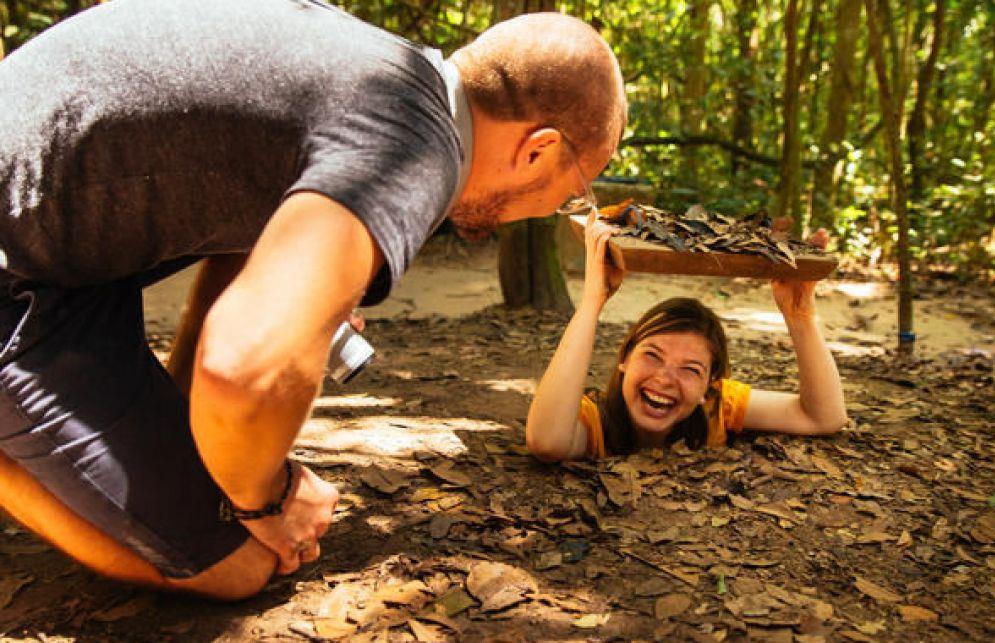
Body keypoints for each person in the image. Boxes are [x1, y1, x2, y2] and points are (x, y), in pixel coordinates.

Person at [0, 0, 626, 600]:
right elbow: (246, 364)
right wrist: (266, 497)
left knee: (219, 478)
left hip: (62, 252)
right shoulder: (414, 146)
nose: (550, 212)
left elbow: (254, 234)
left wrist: (226, 426)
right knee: (241, 562)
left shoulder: (375, 67)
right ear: (537, 149)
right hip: (24, 278)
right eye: (571, 194)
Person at [526, 215, 846, 461]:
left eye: (691, 369)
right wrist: (592, 302)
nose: (665, 380)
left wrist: (800, 315)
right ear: (624, 359)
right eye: (652, 355)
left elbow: (823, 417)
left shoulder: (717, 408)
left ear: (709, 388)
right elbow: (547, 442)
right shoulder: (593, 420)